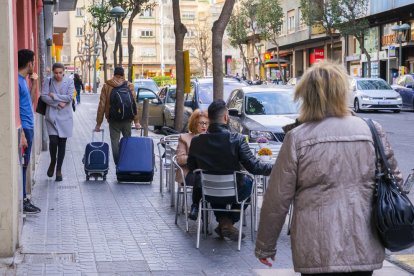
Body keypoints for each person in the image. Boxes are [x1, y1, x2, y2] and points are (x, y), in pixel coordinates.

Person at [255, 61, 403, 275]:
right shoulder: (371, 130)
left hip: (316, 246)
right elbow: (395, 182)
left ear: (306, 95)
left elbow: (277, 199)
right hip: (363, 239)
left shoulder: (297, 137)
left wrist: (265, 246)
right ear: (342, 92)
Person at [187, 100, 272, 240]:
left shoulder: (196, 141)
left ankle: (223, 222)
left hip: (208, 193)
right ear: (226, 117)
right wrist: (278, 167)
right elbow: (254, 167)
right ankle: (228, 222)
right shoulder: (237, 139)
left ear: (209, 119)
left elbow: (192, 167)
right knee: (249, 183)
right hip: (234, 193)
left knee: (209, 181)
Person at [95, 67, 141, 165]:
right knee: (127, 141)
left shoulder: (107, 86)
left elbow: (102, 105)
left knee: (115, 142)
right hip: (127, 119)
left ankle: (118, 164)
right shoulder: (129, 85)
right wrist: (136, 122)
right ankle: (126, 163)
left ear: (114, 74)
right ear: (123, 75)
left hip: (113, 120)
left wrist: (98, 124)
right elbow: (134, 104)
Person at [41, 62, 75, 182]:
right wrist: (57, 103)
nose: (58, 75)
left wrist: (55, 96)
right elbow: (44, 96)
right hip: (51, 116)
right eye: (56, 73)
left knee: (62, 143)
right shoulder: (48, 81)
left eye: (60, 73)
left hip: (65, 117)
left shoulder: (70, 81)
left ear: (64, 72)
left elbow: (70, 97)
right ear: (53, 72)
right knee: (53, 141)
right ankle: (53, 161)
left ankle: (59, 169)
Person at [18, 49, 41, 214]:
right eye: (33, 62)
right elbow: (16, 110)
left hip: (29, 126)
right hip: (25, 128)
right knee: (23, 165)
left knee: (24, 166)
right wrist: (23, 134)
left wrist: (34, 84)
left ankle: (25, 198)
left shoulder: (24, 81)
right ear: (29, 63)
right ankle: (23, 200)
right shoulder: (17, 82)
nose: (33, 65)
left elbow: (31, 102)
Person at [175, 109, 209, 221]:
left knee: (210, 180)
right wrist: (195, 157)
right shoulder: (185, 138)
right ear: (194, 123)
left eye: (206, 123)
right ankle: (202, 212)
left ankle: (197, 208)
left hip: (209, 174)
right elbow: (180, 159)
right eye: (201, 123)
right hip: (190, 173)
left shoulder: (212, 138)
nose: (204, 126)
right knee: (202, 179)